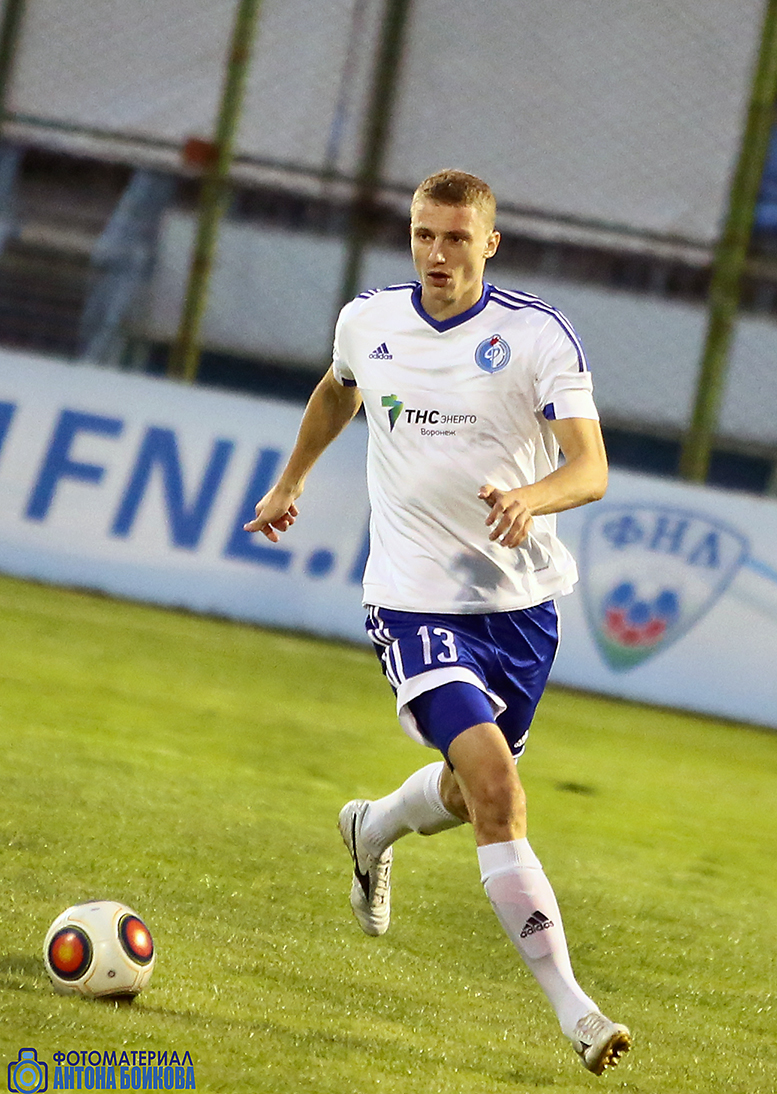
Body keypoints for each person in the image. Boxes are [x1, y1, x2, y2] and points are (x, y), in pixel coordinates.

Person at [244, 169, 631, 1075]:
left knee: (466, 796)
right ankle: (576, 1014)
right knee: (497, 790)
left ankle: (372, 826)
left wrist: (531, 499)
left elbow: (590, 468)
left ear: (489, 243)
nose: (436, 253)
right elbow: (338, 389)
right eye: (424, 234)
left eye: (456, 237)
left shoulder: (536, 336)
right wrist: (290, 480)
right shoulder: (368, 320)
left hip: (519, 610)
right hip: (412, 596)